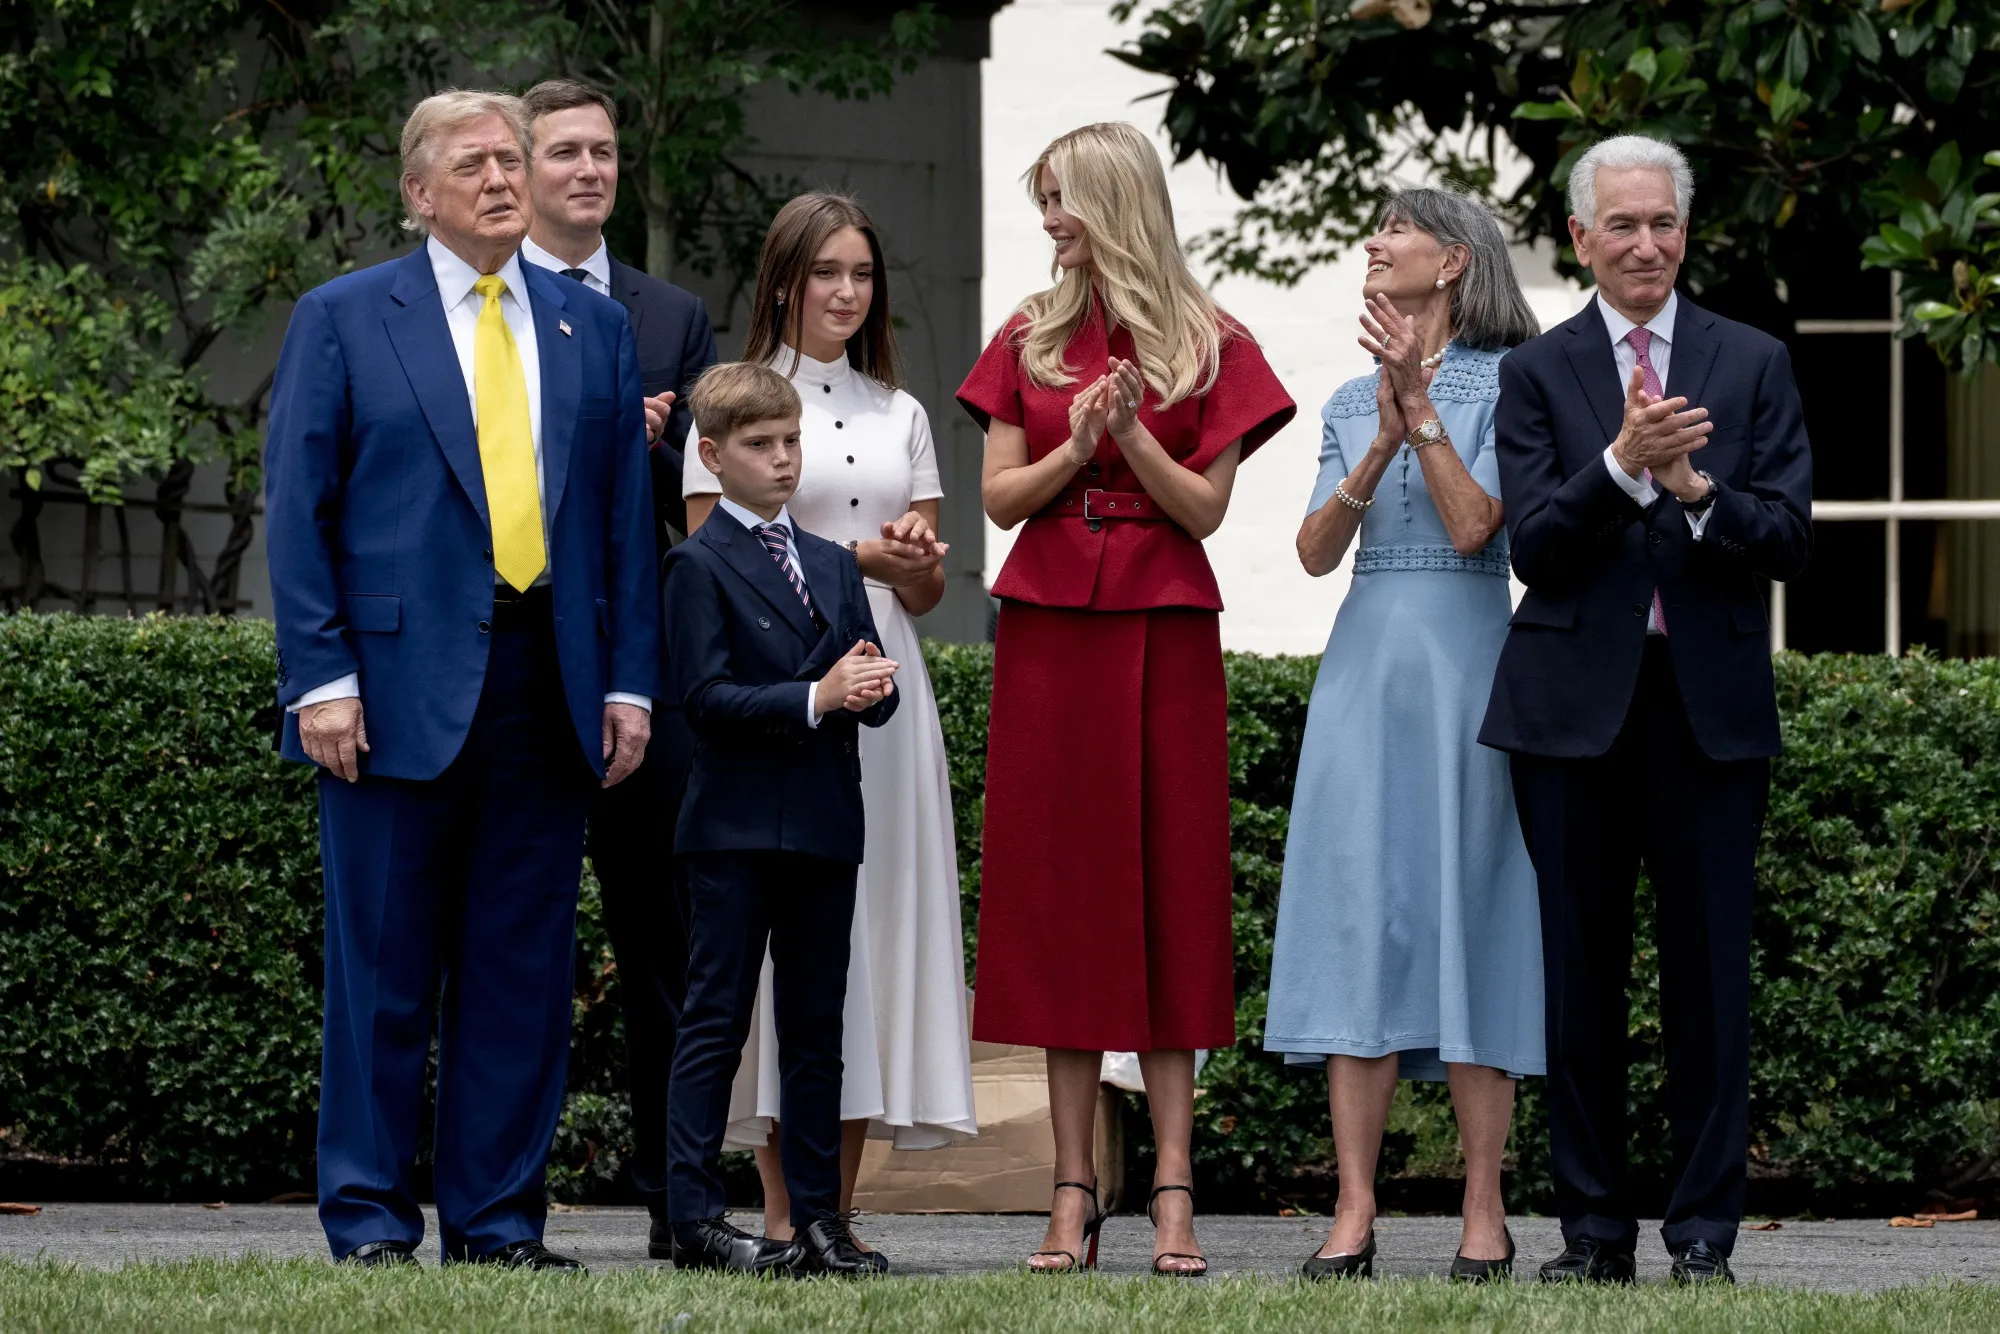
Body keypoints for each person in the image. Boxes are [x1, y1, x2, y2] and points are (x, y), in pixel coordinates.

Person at [264, 89, 659, 1270]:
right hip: (387, 693)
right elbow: (299, 509)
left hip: (549, 684)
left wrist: (627, 681)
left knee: (520, 972)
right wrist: (321, 674)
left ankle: (497, 1225)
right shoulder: (342, 316)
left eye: (510, 158)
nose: (500, 177)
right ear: (418, 191)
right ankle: (372, 1222)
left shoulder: (588, 326)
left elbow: (619, 523)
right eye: (472, 163)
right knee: (381, 969)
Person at [958, 121, 1295, 1276]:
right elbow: (1000, 499)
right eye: (1043, 200)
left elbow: (1201, 511)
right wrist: (1075, 449)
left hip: (1162, 622)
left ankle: (1169, 1188)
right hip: (1050, 623)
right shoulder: (1025, 336)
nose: (1049, 219)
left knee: (1168, 894)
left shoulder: (1212, 343)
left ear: (1113, 203)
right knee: (1059, 904)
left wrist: (1130, 437)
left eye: (1063, 199)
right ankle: (1068, 1189)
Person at [1479, 134, 1813, 1285]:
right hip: (1568, 713)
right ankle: (1590, 1231)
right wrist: (1622, 466)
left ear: (1684, 230)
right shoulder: (1536, 372)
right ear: (1578, 239)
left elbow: (1786, 537)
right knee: (1578, 977)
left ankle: (1703, 1234)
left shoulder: (1751, 358)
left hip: (1706, 709)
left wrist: (1696, 490)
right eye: (1619, 224)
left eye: (1661, 222)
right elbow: (1534, 545)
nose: (1644, 243)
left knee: (1709, 981)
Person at [682, 192, 976, 1261]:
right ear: (782, 280)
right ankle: (770, 1207)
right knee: (767, 958)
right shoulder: (734, 401)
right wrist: (859, 559)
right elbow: (707, 559)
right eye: (825, 273)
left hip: (885, 688)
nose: (846, 292)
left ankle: (828, 1207)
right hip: (773, 698)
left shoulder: (899, 409)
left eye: (861, 273)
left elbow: (930, 584)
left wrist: (910, 557)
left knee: (860, 949)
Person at [1263, 188, 1545, 1282]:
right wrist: (1375, 439)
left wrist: (1421, 413)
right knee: (1356, 920)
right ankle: (1352, 1205)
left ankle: (1484, 1204)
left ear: (1456, 261)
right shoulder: (1343, 396)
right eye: (1368, 230)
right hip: (1364, 669)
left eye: (1394, 231)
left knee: (1474, 911)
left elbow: (1482, 526)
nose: (1371, 244)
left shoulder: (1513, 386)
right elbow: (1310, 551)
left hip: (1469, 661)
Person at [519, 76, 718, 1259]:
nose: (588, 170)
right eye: (564, 153)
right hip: (518, 665)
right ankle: (504, 1204)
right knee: (518, 947)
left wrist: (644, 443)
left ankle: (674, 1201)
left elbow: (692, 499)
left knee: (667, 952)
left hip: (641, 675)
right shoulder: (481, 312)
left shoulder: (668, 312)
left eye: (602, 152)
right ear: (522, 171)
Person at [661, 361, 901, 1278]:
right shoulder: (696, 563)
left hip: (825, 822)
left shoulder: (836, 563)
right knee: (714, 1021)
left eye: (792, 440)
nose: (785, 459)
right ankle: (692, 1216)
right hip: (731, 826)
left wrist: (867, 688)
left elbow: (862, 688)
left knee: (815, 1027)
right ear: (714, 456)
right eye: (761, 445)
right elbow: (704, 697)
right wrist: (816, 693)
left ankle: (819, 1218)